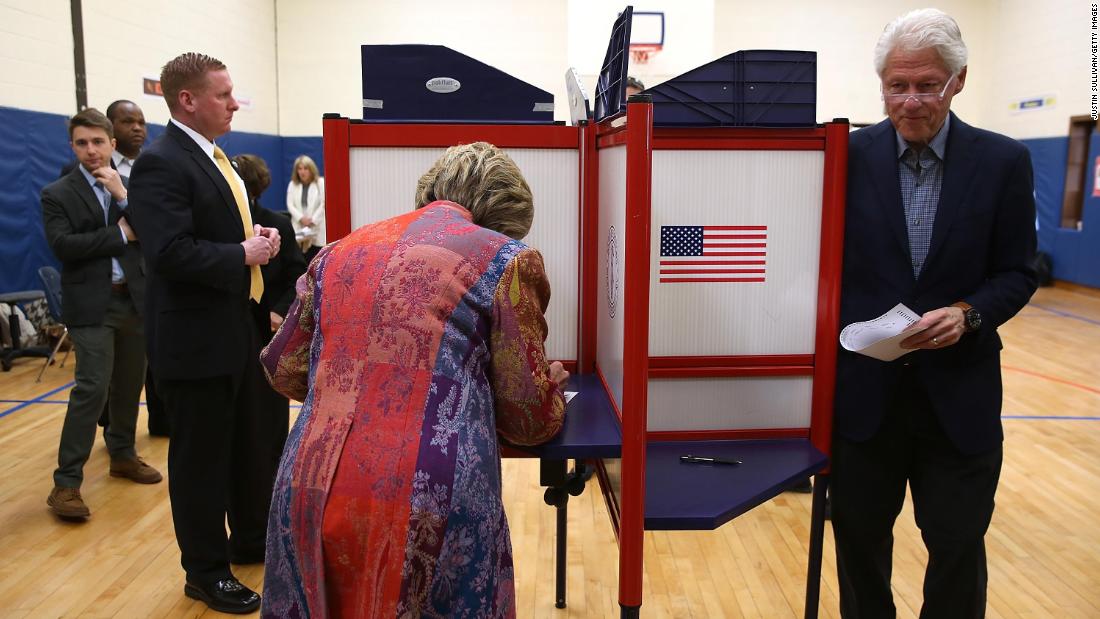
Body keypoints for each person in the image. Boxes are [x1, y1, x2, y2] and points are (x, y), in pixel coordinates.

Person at [259, 142, 569, 617]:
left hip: (310, 479)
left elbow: (284, 370)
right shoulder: (506, 258)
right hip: (430, 493)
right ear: (501, 216)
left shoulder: (337, 251)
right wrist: (547, 385)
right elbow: (526, 418)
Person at [831, 8, 1038, 618]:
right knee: (860, 545)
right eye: (898, 85)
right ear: (882, 85)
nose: (912, 100)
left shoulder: (1003, 162)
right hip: (867, 400)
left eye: (928, 85)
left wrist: (969, 314)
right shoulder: (848, 157)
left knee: (956, 546)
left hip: (959, 399)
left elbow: (1019, 272)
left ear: (959, 81)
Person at [128, 52, 281, 614]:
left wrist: (253, 235)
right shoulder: (161, 162)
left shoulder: (215, 159)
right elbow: (167, 253)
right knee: (200, 462)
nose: (234, 103)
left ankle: (248, 539)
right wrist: (242, 253)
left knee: (246, 446)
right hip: (194, 341)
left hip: (234, 330)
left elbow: (213, 231)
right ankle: (205, 571)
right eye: (223, 95)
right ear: (187, 101)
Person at [41, 108, 162, 520]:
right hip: (91, 303)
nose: (91, 151)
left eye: (97, 142)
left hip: (134, 298)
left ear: (112, 144)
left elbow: (155, 233)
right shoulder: (57, 193)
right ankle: (66, 482)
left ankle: (123, 453)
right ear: (72, 147)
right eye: (81, 143)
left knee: (129, 384)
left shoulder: (132, 187)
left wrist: (124, 199)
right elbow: (64, 246)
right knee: (92, 387)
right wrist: (120, 234)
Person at [231, 153, 304, 530]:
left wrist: (279, 311)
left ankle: (279, 498)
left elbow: (296, 271)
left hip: (270, 330)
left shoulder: (278, 224)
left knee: (273, 418)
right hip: (233, 330)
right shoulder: (225, 227)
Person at [285, 154, 325, 261]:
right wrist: (301, 218)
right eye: (300, 169)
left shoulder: (320, 183)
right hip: (300, 226)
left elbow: (323, 203)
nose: (302, 172)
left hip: (317, 226)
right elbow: (290, 205)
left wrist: (313, 220)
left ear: (311, 169)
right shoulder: (293, 184)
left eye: (305, 168)